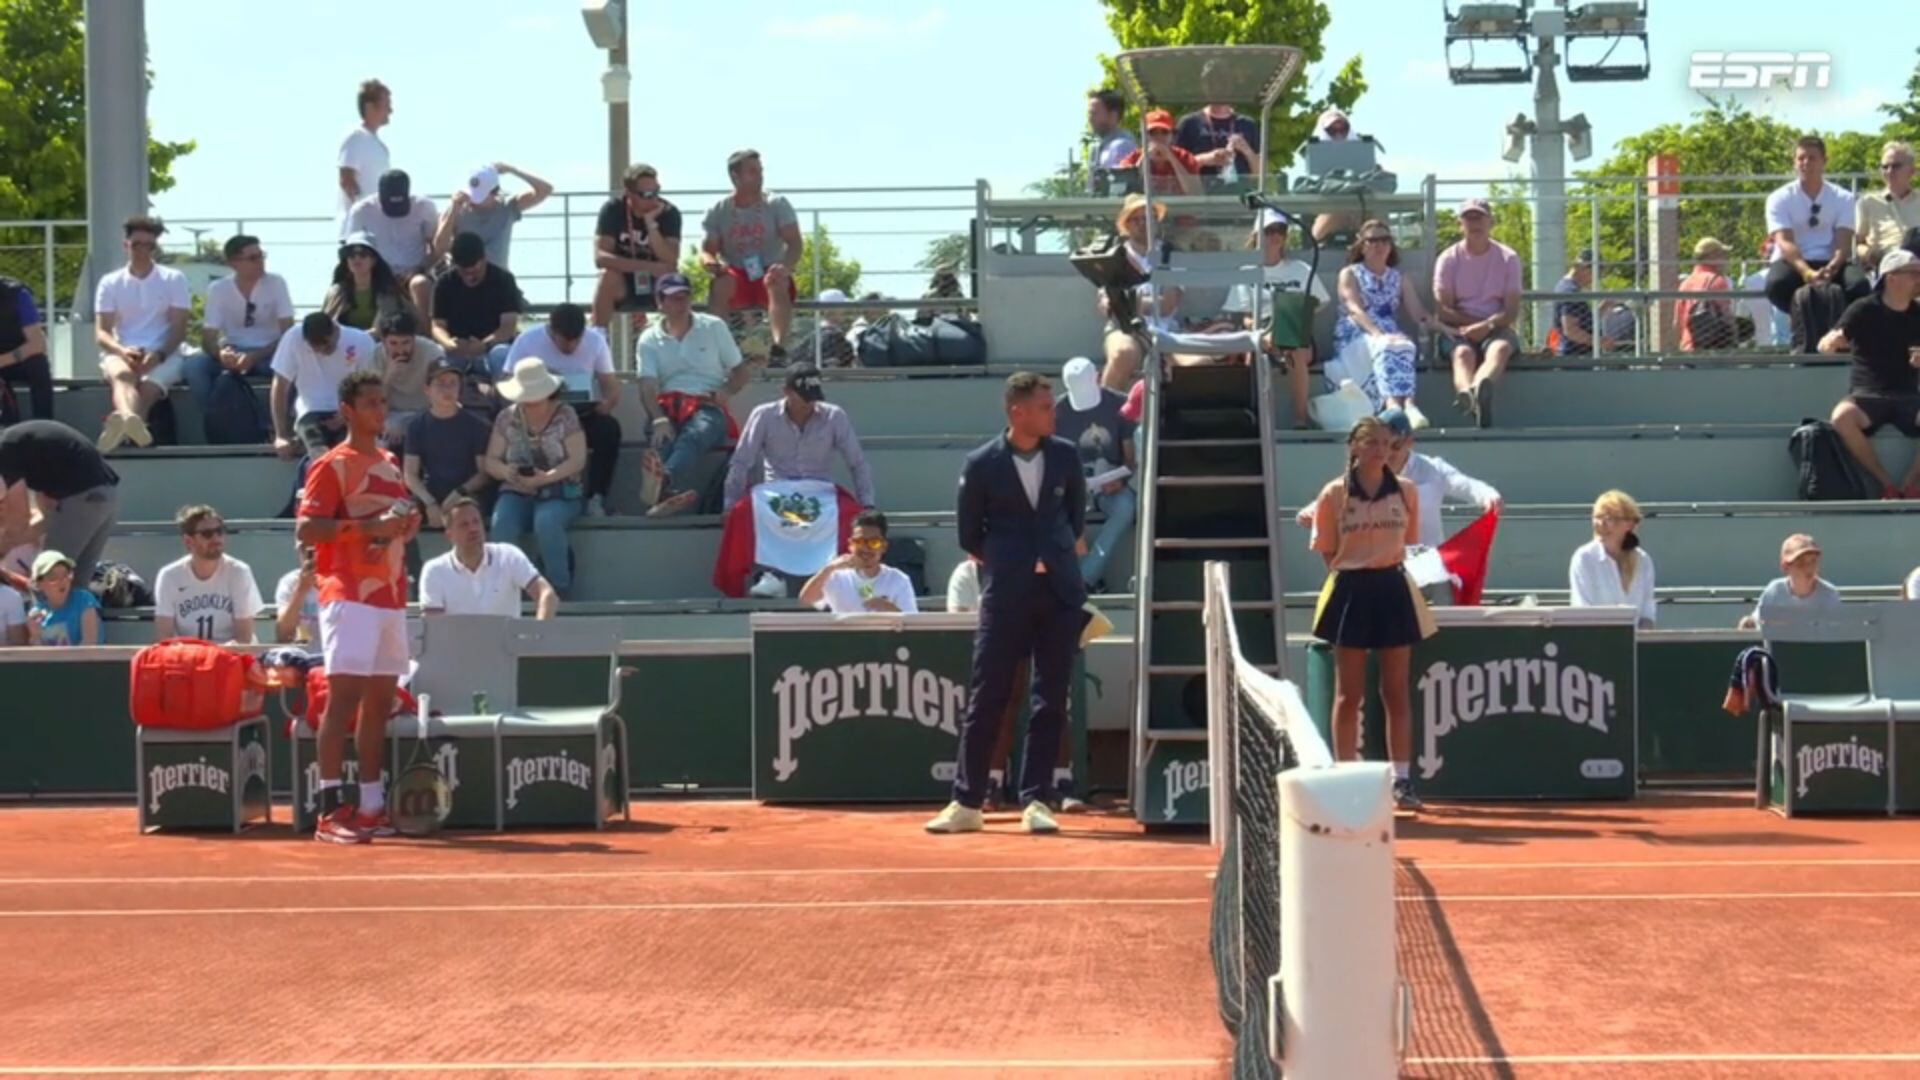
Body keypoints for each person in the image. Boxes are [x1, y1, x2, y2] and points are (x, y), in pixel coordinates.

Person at [925, 372, 1088, 836]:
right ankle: (967, 801)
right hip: (1004, 592)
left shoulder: (1066, 456)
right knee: (988, 694)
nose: (1052, 413)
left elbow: (1075, 517)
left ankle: (1037, 798)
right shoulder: (981, 464)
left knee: (1050, 696)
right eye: (1044, 406)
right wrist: (1011, 562)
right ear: (1017, 411)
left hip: (1059, 593)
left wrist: (1050, 558)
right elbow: (968, 534)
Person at [295, 369, 422, 843]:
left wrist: (407, 522)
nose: (379, 410)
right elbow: (308, 530)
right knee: (343, 700)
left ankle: (370, 806)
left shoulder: (390, 461)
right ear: (347, 411)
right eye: (370, 403)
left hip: (390, 595)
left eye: (383, 402)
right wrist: (369, 529)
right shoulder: (332, 464)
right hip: (347, 592)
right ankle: (330, 810)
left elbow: (398, 519)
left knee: (379, 703)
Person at [1307, 415, 1433, 811]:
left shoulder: (1408, 492)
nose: (1382, 450)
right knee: (1349, 693)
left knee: (1396, 690)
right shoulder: (1333, 493)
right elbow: (1327, 549)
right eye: (1373, 442)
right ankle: (1345, 778)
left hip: (1393, 587)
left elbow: (1409, 543)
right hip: (1350, 589)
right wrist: (1353, 573)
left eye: (1388, 443)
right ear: (1355, 447)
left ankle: (1402, 780)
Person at [637, 273, 748, 517]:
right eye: (673, 298)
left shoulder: (714, 327)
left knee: (694, 435)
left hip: (707, 404)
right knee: (660, 437)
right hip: (667, 404)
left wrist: (726, 391)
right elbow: (646, 386)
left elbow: (740, 371)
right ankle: (663, 493)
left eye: (684, 296)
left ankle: (661, 484)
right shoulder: (648, 338)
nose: (680, 303)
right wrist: (658, 420)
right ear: (660, 302)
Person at [1817, 249, 1920, 498]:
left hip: (1908, 395)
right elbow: (1826, 344)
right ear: (1891, 278)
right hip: (1868, 394)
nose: (1919, 279)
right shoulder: (1864, 309)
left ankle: (1910, 484)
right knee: (1842, 417)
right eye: (1914, 274)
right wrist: (1832, 342)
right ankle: (1886, 483)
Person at [484, 358, 588, 598]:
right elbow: (491, 460)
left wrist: (546, 478)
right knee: (502, 524)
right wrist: (506, 472)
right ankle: (508, 592)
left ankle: (558, 589)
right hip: (516, 489)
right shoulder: (506, 417)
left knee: (547, 521)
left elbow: (577, 460)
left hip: (562, 490)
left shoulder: (566, 415)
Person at [505, 303, 619, 517]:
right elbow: (506, 380)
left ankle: (597, 497)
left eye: (576, 339)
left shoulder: (595, 341)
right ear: (552, 331)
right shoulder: (528, 341)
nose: (571, 346)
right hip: (537, 415)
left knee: (609, 429)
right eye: (565, 340)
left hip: (581, 415)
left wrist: (606, 404)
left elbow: (610, 384)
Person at [94, 215, 196, 452]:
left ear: (155, 247)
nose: (142, 250)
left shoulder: (174, 279)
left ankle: (121, 433)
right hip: (122, 350)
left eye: (148, 245)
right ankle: (133, 427)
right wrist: (122, 351)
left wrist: (159, 355)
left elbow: (179, 328)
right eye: (136, 244)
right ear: (125, 244)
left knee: (149, 387)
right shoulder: (110, 282)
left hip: (166, 352)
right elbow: (102, 332)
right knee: (121, 376)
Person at [1223, 211, 1331, 428]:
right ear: (1257, 235)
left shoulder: (1300, 270)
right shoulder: (1247, 272)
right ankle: (1257, 421)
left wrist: (1291, 320)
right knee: (1252, 354)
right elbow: (1245, 317)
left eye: (1280, 230)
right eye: (1269, 230)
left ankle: (1299, 419)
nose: (1276, 235)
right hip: (1260, 329)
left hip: (1295, 328)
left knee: (1295, 350)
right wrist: (1263, 333)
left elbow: (1318, 303)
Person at [185, 234, 295, 443]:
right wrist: (221, 354)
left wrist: (255, 356)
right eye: (253, 258)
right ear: (234, 263)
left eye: (261, 256)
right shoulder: (219, 289)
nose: (261, 262)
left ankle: (276, 427)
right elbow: (208, 337)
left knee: (292, 367)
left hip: (269, 352)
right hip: (233, 349)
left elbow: (288, 333)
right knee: (194, 367)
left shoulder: (276, 283)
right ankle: (217, 421)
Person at [1331, 220, 1439, 424]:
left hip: (1389, 334)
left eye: (1385, 240)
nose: (1379, 245)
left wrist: (1448, 328)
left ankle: (1408, 405)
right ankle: (1394, 405)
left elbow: (1419, 313)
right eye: (1372, 240)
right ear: (1362, 246)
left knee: (1405, 344)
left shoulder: (1399, 278)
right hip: (1356, 332)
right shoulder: (1350, 274)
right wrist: (1377, 334)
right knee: (1387, 345)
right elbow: (1354, 309)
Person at [702, 149, 804, 354]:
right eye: (752, 171)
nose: (760, 176)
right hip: (737, 274)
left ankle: (778, 348)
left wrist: (785, 267)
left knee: (776, 279)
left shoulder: (776, 203)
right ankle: (716, 349)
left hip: (769, 271)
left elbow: (795, 243)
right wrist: (711, 263)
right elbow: (707, 251)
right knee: (722, 282)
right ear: (735, 176)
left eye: (760, 170)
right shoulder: (718, 209)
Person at [0, 420, 120, 589]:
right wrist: (13, 541)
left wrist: (2, 551)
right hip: (105, 497)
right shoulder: (25, 447)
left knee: (49, 586)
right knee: (75, 590)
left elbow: (20, 519)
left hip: (81, 499)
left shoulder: (6, 450)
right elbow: (45, 518)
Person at [1434, 198, 1523, 427]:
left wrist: (1488, 326)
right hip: (1458, 328)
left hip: (1497, 327)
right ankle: (1467, 394)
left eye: (1479, 217)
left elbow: (1511, 311)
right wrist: (1472, 325)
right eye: (1469, 218)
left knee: (1500, 348)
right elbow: (1442, 309)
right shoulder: (1447, 259)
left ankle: (1479, 389)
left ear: (1490, 222)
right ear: (1459, 224)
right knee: (1462, 354)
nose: (1475, 224)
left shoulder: (1508, 258)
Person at [1763, 136, 1869, 322]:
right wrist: (1807, 272)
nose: (1806, 163)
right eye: (1801, 158)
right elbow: (1785, 241)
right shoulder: (1778, 198)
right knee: (1776, 285)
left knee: (1859, 286)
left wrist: (1832, 268)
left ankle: (1840, 331)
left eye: (1812, 158)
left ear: (1824, 161)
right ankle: (1805, 324)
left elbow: (1843, 242)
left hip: (1831, 262)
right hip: (1793, 263)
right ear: (1794, 162)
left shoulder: (1843, 198)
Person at [1055, 357, 1135, 592]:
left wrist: (1120, 479)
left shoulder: (1119, 404)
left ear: (1099, 378)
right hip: (1071, 486)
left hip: (1109, 482)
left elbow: (1131, 459)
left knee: (1125, 507)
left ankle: (1085, 578)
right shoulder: (1056, 412)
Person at [419, 494, 559, 619]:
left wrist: (537, 638)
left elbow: (547, 595)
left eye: (476, 522)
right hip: (457, 647)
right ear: (449, 535)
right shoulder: (434, 570)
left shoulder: (509, 556)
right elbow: (433, 627)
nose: (473, 528)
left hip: (508, 647)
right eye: (464, 525)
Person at [270, 313, 378, 463]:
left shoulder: (360, 341)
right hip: (310, 411)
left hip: (350, 410)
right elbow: (280, 385)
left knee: (352, 450)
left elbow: (370, 387)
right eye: (316, 348)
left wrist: (349, 414)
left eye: (327, 345)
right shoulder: (293, 338)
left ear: (335, 330)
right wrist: (281, 435)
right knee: (316, 446)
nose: (322, 352)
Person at [402, 358, 494, 530]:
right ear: (427, 389)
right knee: (403, 515)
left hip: (467, 491)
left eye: (453, 383)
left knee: (465, 513)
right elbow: (410, 473)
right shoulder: (417, 426)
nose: (447, 389)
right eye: (440, 383)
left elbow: (483, 474)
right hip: (431, 491)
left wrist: (457, 494)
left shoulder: (477, 425)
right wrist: (429, 502)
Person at [592, 163, 683, 332]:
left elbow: (671, 259)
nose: (653, 198)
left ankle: (678, 337)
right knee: (607, 277)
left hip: (657, 282)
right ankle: (598, 339)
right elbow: (601, 257)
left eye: (656, 191)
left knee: (675, 281)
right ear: (629, 193)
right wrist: (648, 267)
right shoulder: (613, 209)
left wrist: (651, 225)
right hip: (624, 280)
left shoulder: (669, 213)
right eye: (646, 194)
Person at [152, 505, 262, 644]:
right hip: (189, 656)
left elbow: (244, 637)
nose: (216, 538)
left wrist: (213, 658)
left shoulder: (238, 572)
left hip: (231, 656)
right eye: (207, 534)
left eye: (220, 531)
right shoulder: (170, 576)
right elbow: (164, 636)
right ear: (188, 541)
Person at [346, 170, 440, 318]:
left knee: (420, 284)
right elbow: (352, 249)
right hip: (377, 273)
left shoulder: (425, 207)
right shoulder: (361, 211)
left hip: (415, 271)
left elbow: (435, 247)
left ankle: (425, 335)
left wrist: (419, 268)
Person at [432, 232, 525, 378]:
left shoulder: (503, 280)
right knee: (439, 357)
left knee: (501, 355)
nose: (470, 276)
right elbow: (437, 326)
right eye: (464, 272)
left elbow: (509, 325)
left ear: (484, 258)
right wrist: (449, 343)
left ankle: (504, 398)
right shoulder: (444, 283)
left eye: (474, 271)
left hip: (492, 348)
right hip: (457, 351)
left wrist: (484, 345)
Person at [1097, 194, 1164, 394]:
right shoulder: (1113, 256)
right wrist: (1114, 304)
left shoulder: (1170, 253)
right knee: (1122, 354)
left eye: (1149, 218)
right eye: (1137, 219)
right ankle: (1104, 419)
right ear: (1126, 224)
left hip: (1165, 328)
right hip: (1123, 328)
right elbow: (1105, 304)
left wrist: (1127, 303)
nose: (1144, 224)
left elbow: (1168, 303)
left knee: (1198, 362)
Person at [433, 162, 552, 271]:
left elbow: (546, 190)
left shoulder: (508, 207)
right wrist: (454, 209)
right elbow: (439, 248)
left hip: (499, 281)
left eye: (481, 195)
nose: (474, 200)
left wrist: (513, 170)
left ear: (494, 192)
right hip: (465, 279)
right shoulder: (457, 208)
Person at [798, 509, 918, 615]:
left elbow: (913, 625)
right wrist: (828, 569)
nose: (866, 548)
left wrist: (889, 608)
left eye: (873, 543)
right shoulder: (837, 575)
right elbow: (806, 600)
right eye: (859, 542)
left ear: (884, 547)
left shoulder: (898, 579)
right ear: (850, 545)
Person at [1569, 489, 1656, 629]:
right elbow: (1582, 611)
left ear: (1630, 524)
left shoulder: (1643, 560)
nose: (1600, 524)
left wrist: (1638, 641)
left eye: (1609, 518)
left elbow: (1647, 613)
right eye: (1597, 517)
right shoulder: (1584, 558)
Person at [371, 310, 448, 445]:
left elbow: (443, 391)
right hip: (393, 413)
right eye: (393, 343)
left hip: (427, 411)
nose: (400, 350)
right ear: (384, 342)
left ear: (414, 339)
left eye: (405, 342)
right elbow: (374, 401)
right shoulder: (376, 355)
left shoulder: (432, 352)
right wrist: (388, 377)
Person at [1739, 533, 1842, 631]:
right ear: (1785, 566)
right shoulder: (1774, 591)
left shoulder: (1829, 594)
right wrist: (1749, 624)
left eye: (1813, 561)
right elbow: (1755, 624)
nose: (1809, 567)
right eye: (1801, 562)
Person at [321, 232, 416, 332]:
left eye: (363, 254)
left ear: (374, 260)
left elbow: (385, 329)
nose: (357, 259)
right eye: (351, 255)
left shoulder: (387, 292)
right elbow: (324, 327)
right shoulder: (336, 292)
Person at [336, 79, 392, 232]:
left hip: (377, 229)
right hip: (357, 231)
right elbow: (346, 179)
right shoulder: (355, 137)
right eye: (386, 105)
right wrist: (363, 212)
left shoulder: (380, 146)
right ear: (370, 107)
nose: (390, 110)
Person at [1856, 142, 1920, 271]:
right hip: (1886, 265)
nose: (1889, 171)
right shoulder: (1868, 202)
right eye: (1885, 167)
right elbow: (1858, 243)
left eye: (1896, 166)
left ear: (1912, 171)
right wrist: (1867, 254)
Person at [0, 274, 53, 422]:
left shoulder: (16, 294)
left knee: (39, 364)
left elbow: (38, 344)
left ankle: (44, 427)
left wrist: (2, 361)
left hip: (16, 358)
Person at [1115, 110, 1202, 197]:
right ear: (1144, 135)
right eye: (1152, 133)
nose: (1159, 137)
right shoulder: (1133, 158)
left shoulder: (1185, 157)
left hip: (1178, 209)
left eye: (1164, 132)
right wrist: (1144, 158)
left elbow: (1195, 192)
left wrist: (1172, 159)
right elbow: (1124, 191)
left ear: (1172, 135)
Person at [25, 550, 100, 647]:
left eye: (66, 575)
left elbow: (89, 644)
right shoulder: (36, 615)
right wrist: (36, 636)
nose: (62, 581)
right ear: (39, 584)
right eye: (53, 577)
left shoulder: (84, 599)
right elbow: (39, 656)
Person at [1673, 238, 1736, 352]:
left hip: (1689, 348)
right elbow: (1727, 317)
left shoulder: (1685, 283)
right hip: (1715, 348)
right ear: (1712, 257)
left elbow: (1677, 322)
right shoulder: (1717, 281)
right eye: (1723, 255)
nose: (1726, 259)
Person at [1174, 102, 1260, 181]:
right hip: (1200, 194)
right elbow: (1174, 166)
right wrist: (1204, 160)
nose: (1219, 89)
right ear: (1205, 87)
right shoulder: (1189, 123)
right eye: (1213, 85)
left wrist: (1247, 150)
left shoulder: (1247, 124)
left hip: (1240, 194)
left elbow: (1260, 174)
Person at [1552, 249, 1614, 356]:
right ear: (1583, 268)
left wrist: (1603, 307)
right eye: (1595, 273)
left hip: (1578, 355)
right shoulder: (1570, 291)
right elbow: (1571, 330)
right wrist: (1598, 342)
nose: (1594, 279)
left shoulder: (1568, 287)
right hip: (1575, 358)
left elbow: (1583, 321)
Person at [1086, 89, 1137, 192]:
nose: (1090, 119)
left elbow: (1117, 188)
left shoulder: (1121, 146)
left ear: (1113, 115)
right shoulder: (1098, 146)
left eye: (1094, 113)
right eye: (1089, 114)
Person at [274, 541, 321, 645]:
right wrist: (302, 588)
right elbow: (283, 635)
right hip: (302, 652)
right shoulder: (289, 582)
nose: (310, 557)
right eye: (303, 549)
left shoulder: (342, 581)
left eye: (316, 549)